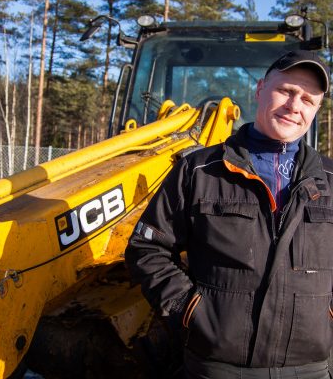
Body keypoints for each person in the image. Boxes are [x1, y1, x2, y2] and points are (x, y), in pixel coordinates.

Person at [125, 49, 333, 379]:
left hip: (310, 369)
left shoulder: (330, 179)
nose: (295, 106)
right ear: (260, 89)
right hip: (216, 367)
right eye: (286, 91)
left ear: (317, 108)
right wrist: (188, 310)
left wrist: (327, 315)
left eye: (308, 99)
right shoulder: (200, 171)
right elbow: (147, 248)